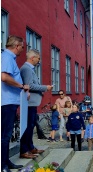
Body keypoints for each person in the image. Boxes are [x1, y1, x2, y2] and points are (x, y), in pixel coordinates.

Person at [1, 35, 30, 171]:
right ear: (17, 46)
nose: (22, 50)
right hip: (6, 102)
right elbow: (4, 77)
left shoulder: (9, 58)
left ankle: (6, 161)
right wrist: (21, 86)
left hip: (10, 102)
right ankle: (3, 165)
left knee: (6, 134)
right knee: (5, 135)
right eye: (22, 47)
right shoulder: (7, 57)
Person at [20, 49, 53, 158]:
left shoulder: (30, 69)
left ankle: (30, 147)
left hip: (32, 103)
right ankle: (24, 150)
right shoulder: (27, 69)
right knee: (28, 127)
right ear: (32, 58)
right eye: (38, 58)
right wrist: (45, 88)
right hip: (29, 103)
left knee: (31, 125)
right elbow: (30, 85)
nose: (39, 60)